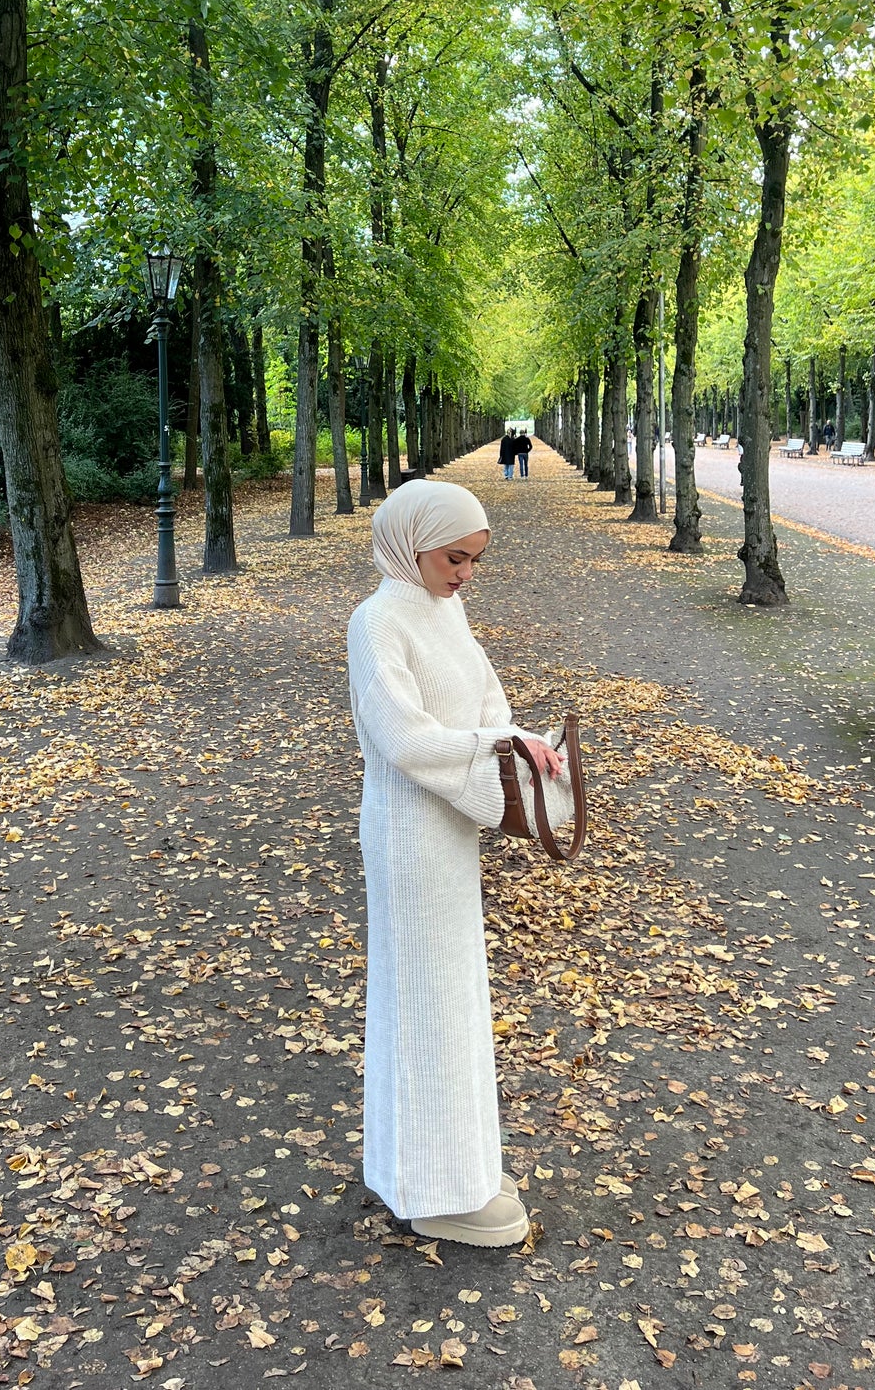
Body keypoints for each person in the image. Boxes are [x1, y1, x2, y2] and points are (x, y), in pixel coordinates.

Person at [347, 479, 563, 1248]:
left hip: (449, 830)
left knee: (455, 991)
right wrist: (496, 747)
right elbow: (403, 740)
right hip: (407, 835)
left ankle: (457, 1163)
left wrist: (523, 741)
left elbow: (484, 704)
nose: (465, 573)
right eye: (454, 557)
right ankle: (430, 1186)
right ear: (410, 543)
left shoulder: (446, 607)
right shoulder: (376, 621)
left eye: (475, 559)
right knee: (424, 1000)